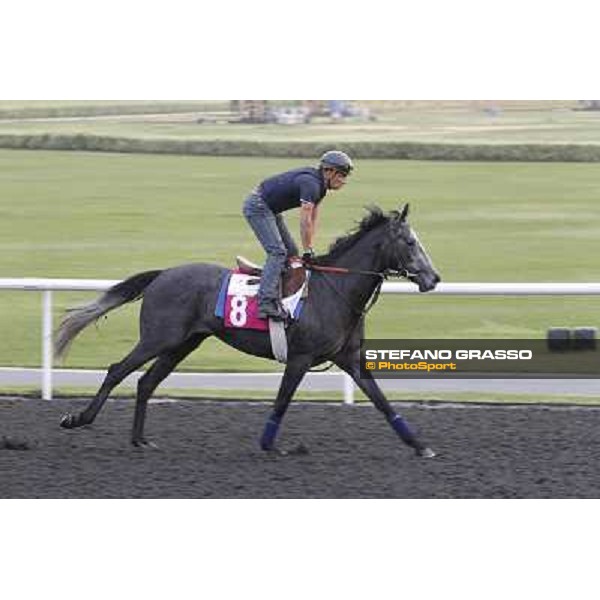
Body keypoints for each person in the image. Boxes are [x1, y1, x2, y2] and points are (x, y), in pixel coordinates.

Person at [243, 150, 354, 320]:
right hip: (258, 206)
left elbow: (313, 218)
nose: (344, 181)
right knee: (278, 252)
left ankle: (279, 290)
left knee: (291, 251)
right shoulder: (312, 184)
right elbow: (304, 221)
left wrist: (309, 249)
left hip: (270, 208)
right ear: (329, 171)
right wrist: (308, 250)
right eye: (342, 175)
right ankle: (264, 303)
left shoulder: (320, 187)